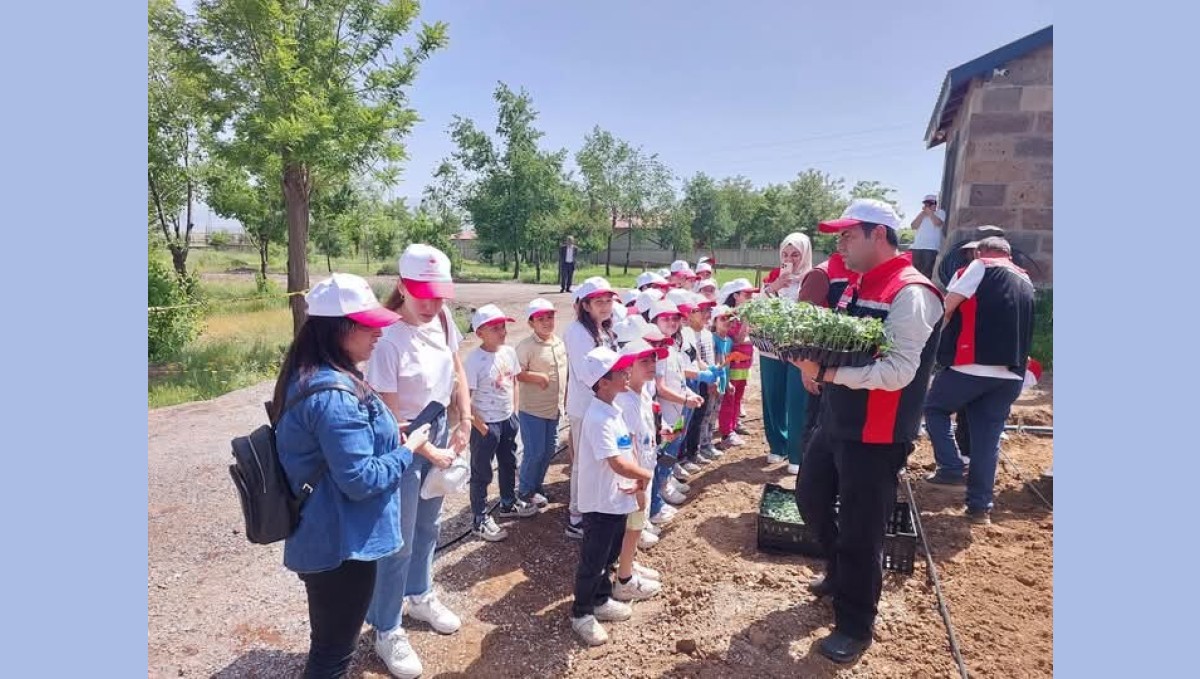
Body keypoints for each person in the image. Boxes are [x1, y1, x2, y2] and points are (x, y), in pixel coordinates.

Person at [790, 199, 944, 664]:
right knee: (810, 496)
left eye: (848, 235)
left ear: (879, 235)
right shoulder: (856, 283)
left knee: (862, 529)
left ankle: (855, 625)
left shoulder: (912, 293)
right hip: (838, 418)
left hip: (878, 432)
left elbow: (897, 372)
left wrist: (828, 373)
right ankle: (841, 573)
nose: (840, 244)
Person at [273, 273, 432, 679]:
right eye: (368, 325)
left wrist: (384, 433)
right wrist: (407, 450)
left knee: (330, 643)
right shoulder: (333, 394)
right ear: (337, 329)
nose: (378, 333)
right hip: (341, 546)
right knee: (333, 654)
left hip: (329, 536)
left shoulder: (314, 373)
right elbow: (360, 480)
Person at [365, 244, 469, 678]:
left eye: (438, 295)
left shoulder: (443, 320)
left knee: (429, 524)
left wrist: (465, 419)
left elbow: (457, 370)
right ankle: (386, 626)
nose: (431, 304)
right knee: (399, 538)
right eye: (423, 294)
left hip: (439, 429)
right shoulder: (386, 338)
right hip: (403, 443)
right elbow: (389, 416)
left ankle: (420, 594)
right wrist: (429, 451)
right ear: (402, 287)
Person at [923, 237, 1035, 525]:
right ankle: (979, 508)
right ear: (1009, 255)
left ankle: (950, 467)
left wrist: (929, 343)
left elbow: (948, 306)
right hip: (1011, 373)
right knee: (987, 439)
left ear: (979, 251)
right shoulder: (1025, 279)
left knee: (934, 408)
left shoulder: (980, 266)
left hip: (972, 363)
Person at [569, 347, 652, 647]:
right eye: (620, 372)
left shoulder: (613, 409)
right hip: (601, 503)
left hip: (617, 498)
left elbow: (625, 451)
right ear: (603, 382)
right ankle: (581, 613)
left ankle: (601, 599)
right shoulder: (598, 418)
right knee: (593, 561)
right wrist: (644, 475)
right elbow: (616, 462)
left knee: (610, 555)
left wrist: (636, 481)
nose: (627, 373)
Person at [464, 304, 538, 542]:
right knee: (481, 471)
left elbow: (513, 382)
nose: (502, 332)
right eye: (495, 328)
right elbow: (464, 398)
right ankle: (479, 518)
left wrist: (513, 412)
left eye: (503, 326)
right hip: (486, 424)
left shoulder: (508, 352)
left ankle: (508, 503)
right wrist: (481, 425)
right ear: (480, 333)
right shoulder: (474, 361)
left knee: (508, 462)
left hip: (507, 420)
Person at [563, 277, 621, 539]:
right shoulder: (578, 333)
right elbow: (587, 374)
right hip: (586, 406)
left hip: (603, 403)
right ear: (585, 305)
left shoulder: (605, 329)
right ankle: (576, 516)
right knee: (583, 463)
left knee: (599, 461)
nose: (606, 306)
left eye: (609, 301)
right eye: (599, 302)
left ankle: (593, 507)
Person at [610, 336, 667, 600]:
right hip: (635, 477)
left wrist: (660, 432)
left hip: (645, 469)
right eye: (644, 361)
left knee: (636, 525)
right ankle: (624, 579)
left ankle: (629, 564)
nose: (652, 365)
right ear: (628, 368)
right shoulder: (625, 401)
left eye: (653, 360)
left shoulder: (642, 392)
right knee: (632, 526)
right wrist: (637, 482)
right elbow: (626, 445)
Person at [796, 250, 862, 460]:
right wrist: (807, 365)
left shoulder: (865, 271)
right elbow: (803, 322)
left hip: (851, 368)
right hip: (823, 368)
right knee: (817, 426)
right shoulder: (821, 275)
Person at [759, 232, 815, 474]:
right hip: (770, 348)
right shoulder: (774, 278)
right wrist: (774, 287)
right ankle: (777, 445)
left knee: (797, 399)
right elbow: (755, 307)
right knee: (773, 396)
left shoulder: (812, 278)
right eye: (785, 254)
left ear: (805, 255)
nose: (789, 259)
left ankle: (796, 453)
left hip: (799, 349)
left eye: (795, 254)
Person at [515, 298, 567, 509]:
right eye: (541, 319)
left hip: (554, 408)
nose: (547, 322)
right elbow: (516, 372)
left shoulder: (559, 343)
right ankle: (525, 491)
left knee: (549, 450)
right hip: (533, 410)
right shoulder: (526, 346)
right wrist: (537, 377)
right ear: (531, 323)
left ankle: (537, 486)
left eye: (550, 317)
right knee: (534, 451)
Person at [717, 278, 757, 448]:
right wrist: (747, 321)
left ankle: (733, 427)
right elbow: (739, 339)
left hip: (744, 364)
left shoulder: (742, 315)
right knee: (729, 398)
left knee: (738, 398)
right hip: (733, 364)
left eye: (751, 295)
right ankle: (727, 431)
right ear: (735, 296)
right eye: (746, 294)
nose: (750, 298)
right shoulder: (730, 316)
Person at [908, 194, 947, 279]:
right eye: (925, 204)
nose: (927, 206)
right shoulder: (921, 214)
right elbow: (913, 226)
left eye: (929, 204)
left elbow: (938, 223)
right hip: (917, 247)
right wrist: (922, 214)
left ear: (934, 204)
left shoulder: (940, 212)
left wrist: (930, 213)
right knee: (915, 272)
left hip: (931, 248)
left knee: (926, 272)